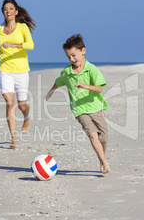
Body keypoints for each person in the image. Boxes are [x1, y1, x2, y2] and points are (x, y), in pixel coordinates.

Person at [45, 34, 110, 174]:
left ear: (83, 51)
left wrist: (86, 86)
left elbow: (99, 88)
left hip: (95, 107)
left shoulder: (91, 69)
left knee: (103, 137)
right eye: (68, 57)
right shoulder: (67, 72)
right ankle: (104, 162)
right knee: (93, 135)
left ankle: (101, 159)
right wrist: (51, 91)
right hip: (79, 109)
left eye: (73, 55)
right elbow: (58, 81)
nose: (71, 59)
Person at [0, 0, 35, 149]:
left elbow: (30, 45)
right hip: (5, 69)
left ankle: (26, 118)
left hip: (22, 70)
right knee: (9, 102)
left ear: (16, 11)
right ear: (3, 12)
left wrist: (13, 45)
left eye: (11, 8)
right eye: (5, 9)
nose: (8, 11)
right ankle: (14, 140)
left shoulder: (22, 27)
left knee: (21, 105)